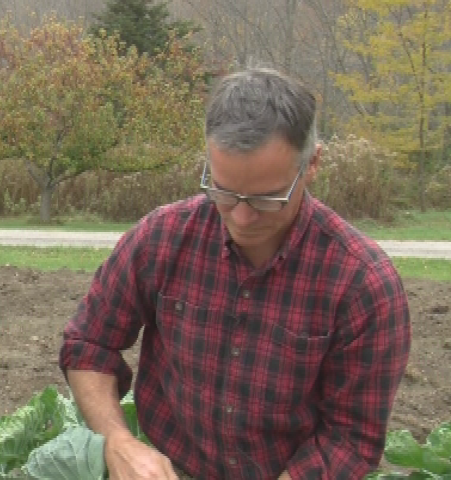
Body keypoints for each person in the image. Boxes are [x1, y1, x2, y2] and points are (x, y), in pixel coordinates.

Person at [58, 67, 411, 479]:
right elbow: (88, 343)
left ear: (311, 164)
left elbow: (351, 438)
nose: (241, 217)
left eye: (267, 198)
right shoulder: (162, 238)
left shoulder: (363, 284)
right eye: (223, 191)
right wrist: (119, 442)